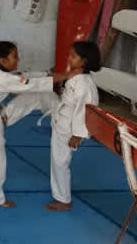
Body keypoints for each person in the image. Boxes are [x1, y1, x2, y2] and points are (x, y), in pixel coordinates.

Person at [0, 41, 69, 208]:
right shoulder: (4, 78)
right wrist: (66, 76)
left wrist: (47, 74)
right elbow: (32, 84)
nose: (18, 59)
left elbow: (24, 76)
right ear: (3, 61)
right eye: (14, 56)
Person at [45, 41, 100, 212]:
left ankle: (63, 200)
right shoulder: (75, 76)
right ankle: (60, 195)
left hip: (69, 128)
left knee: (60, 161)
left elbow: (86, 111)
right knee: (57, 160)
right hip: (62, 122)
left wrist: (79, 134)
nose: (69, 58)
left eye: (73, 56)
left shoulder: (85, 84)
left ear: (84, 61)